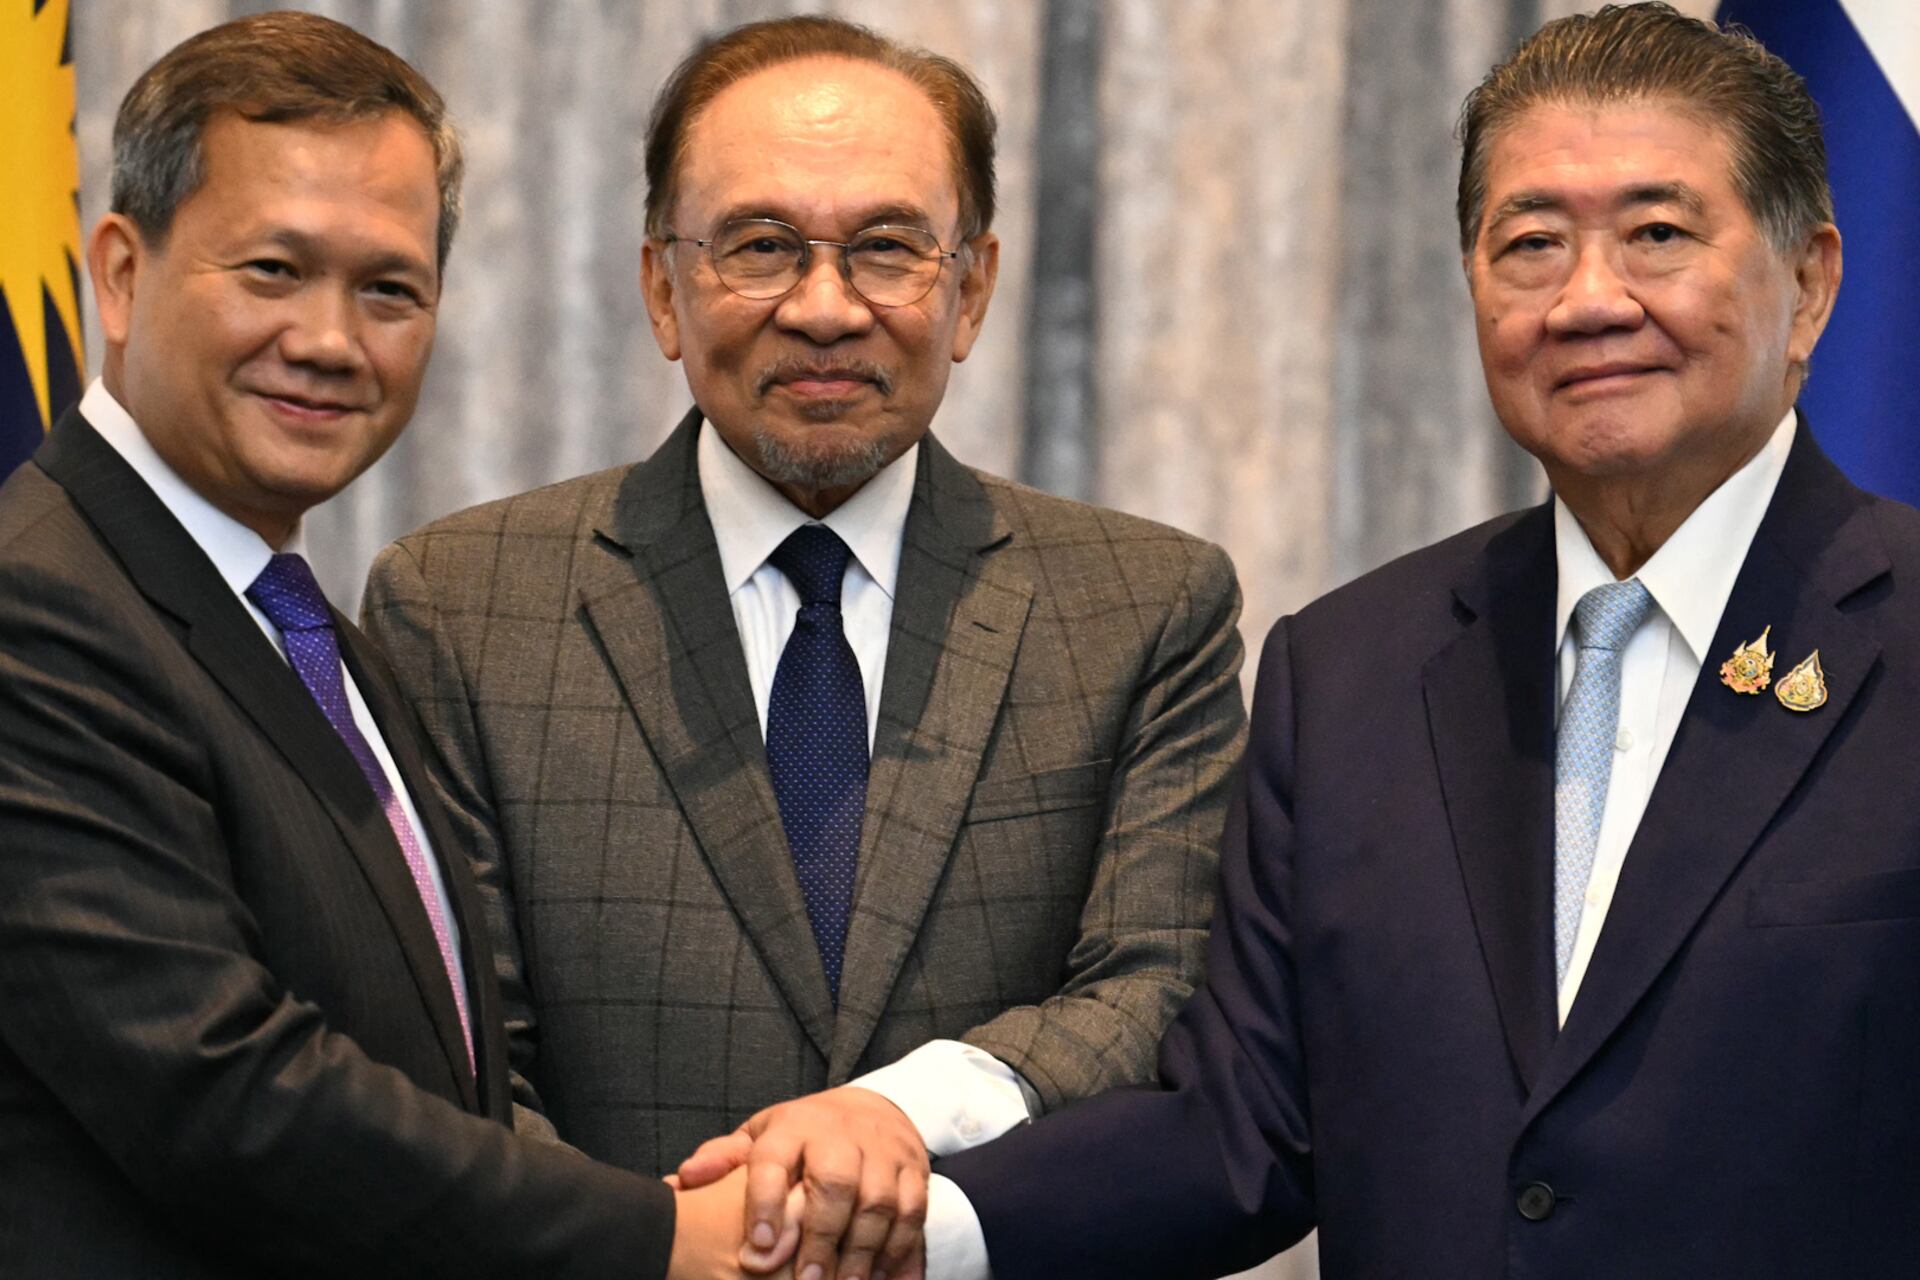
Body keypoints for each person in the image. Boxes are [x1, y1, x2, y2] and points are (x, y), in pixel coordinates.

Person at [929, 5, 1918, 1277]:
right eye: (1531, 245)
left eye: (1659, 235)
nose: (1588, 299)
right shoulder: (1347, 672)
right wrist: (917, 1223)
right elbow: (1245, 1131)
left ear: (1812, 280)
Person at [362, 15, 1246, 1280]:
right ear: (665, 288)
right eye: (762, 246)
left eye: (887, 248)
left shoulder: (1147, 603)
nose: (824, 308)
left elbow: (1158, 986)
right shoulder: (458, 602)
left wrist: (901, 1112)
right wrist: (662, 1247)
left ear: (972, 288)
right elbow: (455, 1054)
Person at [0, 14, 775, 1277]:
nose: (329, 340)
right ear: (121, 272)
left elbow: (437, 1071)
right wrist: (660, 1237)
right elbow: (230, 1096)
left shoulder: (317, 635)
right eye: (271, 270)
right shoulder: (37, 609)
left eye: (388, 289)